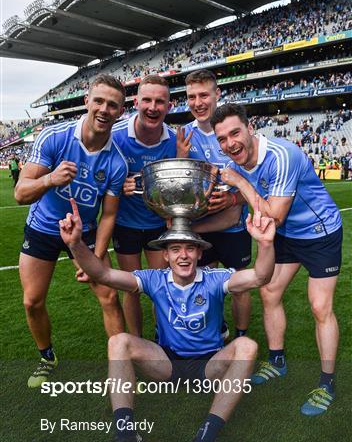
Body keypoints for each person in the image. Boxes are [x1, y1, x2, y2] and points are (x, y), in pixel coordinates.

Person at [59, 196, 275, 442]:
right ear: (166, 255)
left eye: (189, 248)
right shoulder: (154, 278)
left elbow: (261, 276)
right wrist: (75, 244)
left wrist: (265, 244)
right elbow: (103, 274)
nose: (183, 256)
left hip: (210, 366)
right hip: (167, 364)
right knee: (119, 341)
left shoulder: (215, 278)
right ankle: (125, 439)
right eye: (175, 249)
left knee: (247, 346)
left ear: (199, 253)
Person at [211, 103, 343, 416]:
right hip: (287, 237)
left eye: (234, 133)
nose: (230, 143)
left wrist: (240, 184)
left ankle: (327, 382)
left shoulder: (283, 156)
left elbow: (274, 216)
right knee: (269, 291)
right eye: (222, 139)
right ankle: (277, 360)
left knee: (319, 306)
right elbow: (251, 204)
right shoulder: (236, 161)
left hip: (319, 231)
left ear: (249, 128)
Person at [15, 74, 128, 388]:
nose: (105, 109)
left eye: (113, 105)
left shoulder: (117, 162)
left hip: (86, 232)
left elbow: (108, 215)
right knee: (32, 301)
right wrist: (50, 179)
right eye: (99, 101)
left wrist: (96, 254)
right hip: (43, 228)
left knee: (108, 296)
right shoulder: (54, 137)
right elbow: (21, 193)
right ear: (86, 102)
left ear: (120, 111)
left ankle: (122, 368)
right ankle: (47, 357)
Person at [177, 69, 252, 341]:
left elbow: (255, 185)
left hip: (234, 227)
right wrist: (181, 157)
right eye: (191, 96)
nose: (197, 102)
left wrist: (233, 198)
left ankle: (241, 337)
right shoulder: (185, 135)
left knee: (240, 286)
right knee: (202, 283)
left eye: (204, 95)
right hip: (202, 226)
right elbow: (181, 187)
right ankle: (215, 332)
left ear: (217, 94)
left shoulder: (234, 131)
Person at [111, 75, 177, 336]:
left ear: (169, 106)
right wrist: (119, 187)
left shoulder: (174, 140)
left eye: (160, 101)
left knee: (160, 288)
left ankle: (164, 341)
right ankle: (136, 342)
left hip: (157, 225)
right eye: (147, 100)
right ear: (135, 102)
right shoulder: (114, 136)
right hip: (125, 224)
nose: (153, 107)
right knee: (132, 288)